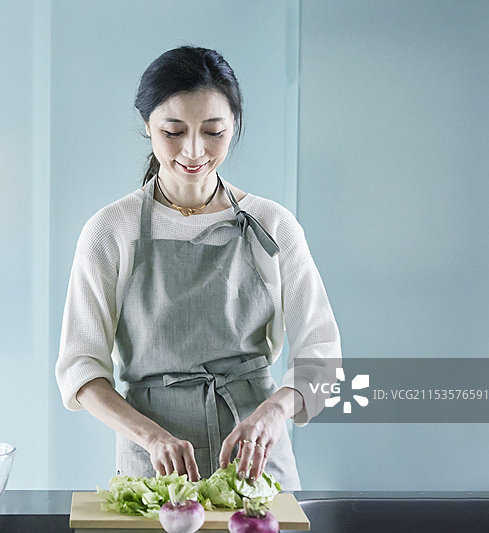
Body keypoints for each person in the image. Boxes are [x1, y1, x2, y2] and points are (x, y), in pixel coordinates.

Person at [55, 46, 341, 490]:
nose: (194, 150)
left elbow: (322, 356)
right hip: (154, 469)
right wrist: (152, 438)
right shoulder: (110, 230)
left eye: (213, 131)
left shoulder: (274, 225)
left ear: (234, 127)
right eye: (173, 131)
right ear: (147, 126)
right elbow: (81, 370)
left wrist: (274, 412)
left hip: (257, 461)